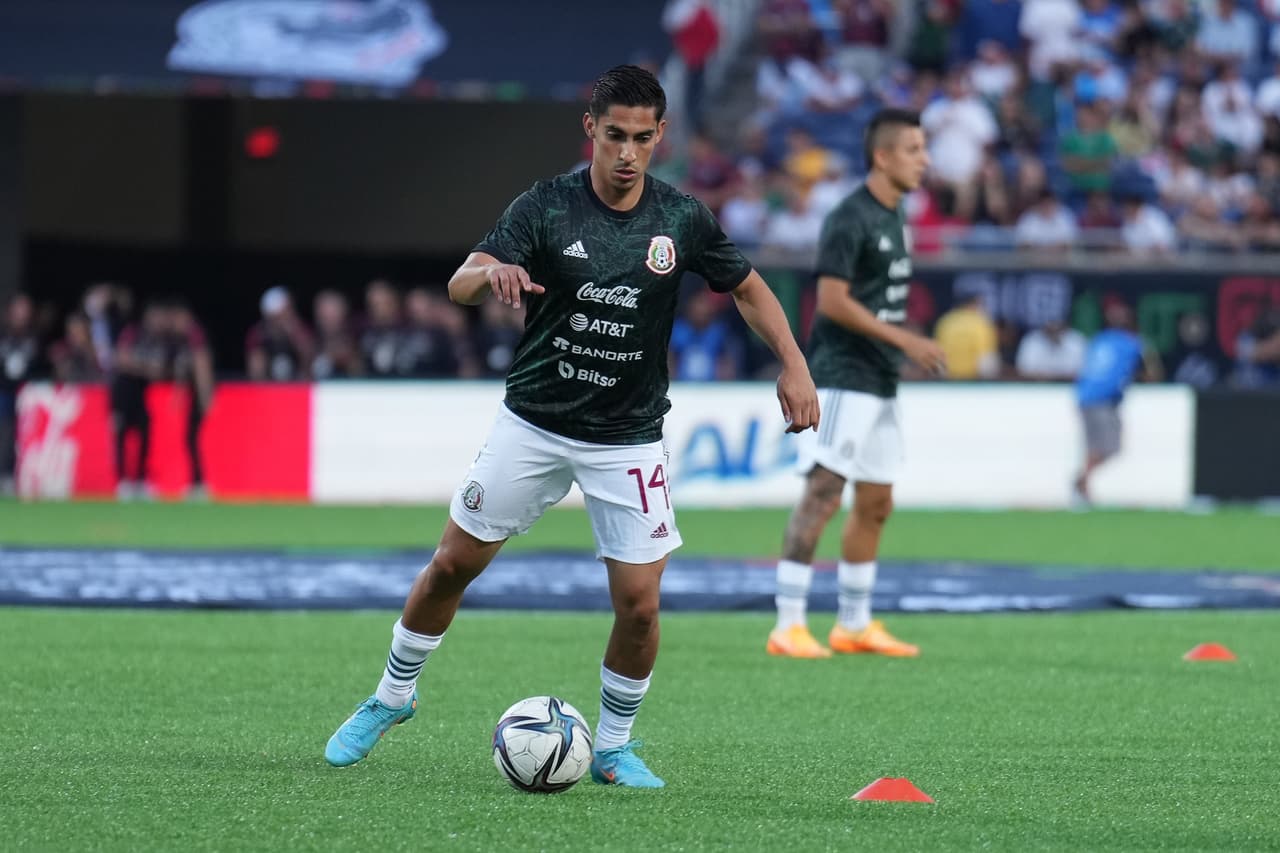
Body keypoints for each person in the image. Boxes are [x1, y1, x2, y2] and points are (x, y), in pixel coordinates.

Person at [323, 65, 820, 787]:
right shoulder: (548, 207)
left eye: (642, 138)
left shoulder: (680, 219)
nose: (627, 152)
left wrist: (794, 363)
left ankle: (613, 747)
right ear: (590, 129)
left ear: (660, 137)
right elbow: (462, 277)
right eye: (614, 134)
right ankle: (391, 696)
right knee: (452, 565)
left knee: (641, 605)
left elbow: (745, 285)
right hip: (534, 421)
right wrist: (487, 275)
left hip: (628, 436)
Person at [767, 108, 946, 660]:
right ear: (883, 156)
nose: (925, 160)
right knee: (823, 494)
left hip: (881, 382)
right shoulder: (851, 216)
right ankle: (789, 625)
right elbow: (832, 302)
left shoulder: (896, 216)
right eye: (914, 150)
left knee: (877, 501)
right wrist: (905, 340)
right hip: (845, 377)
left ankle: (854, 622)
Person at [1072, 299, 1162, 504]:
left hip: (1084, 397)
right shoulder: (1133, 344)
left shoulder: (1099, 339)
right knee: (1112, 448)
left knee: (1095, 448)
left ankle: (1084, 487)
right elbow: (1152, 373)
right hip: (1103, 400)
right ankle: (1081, 480)